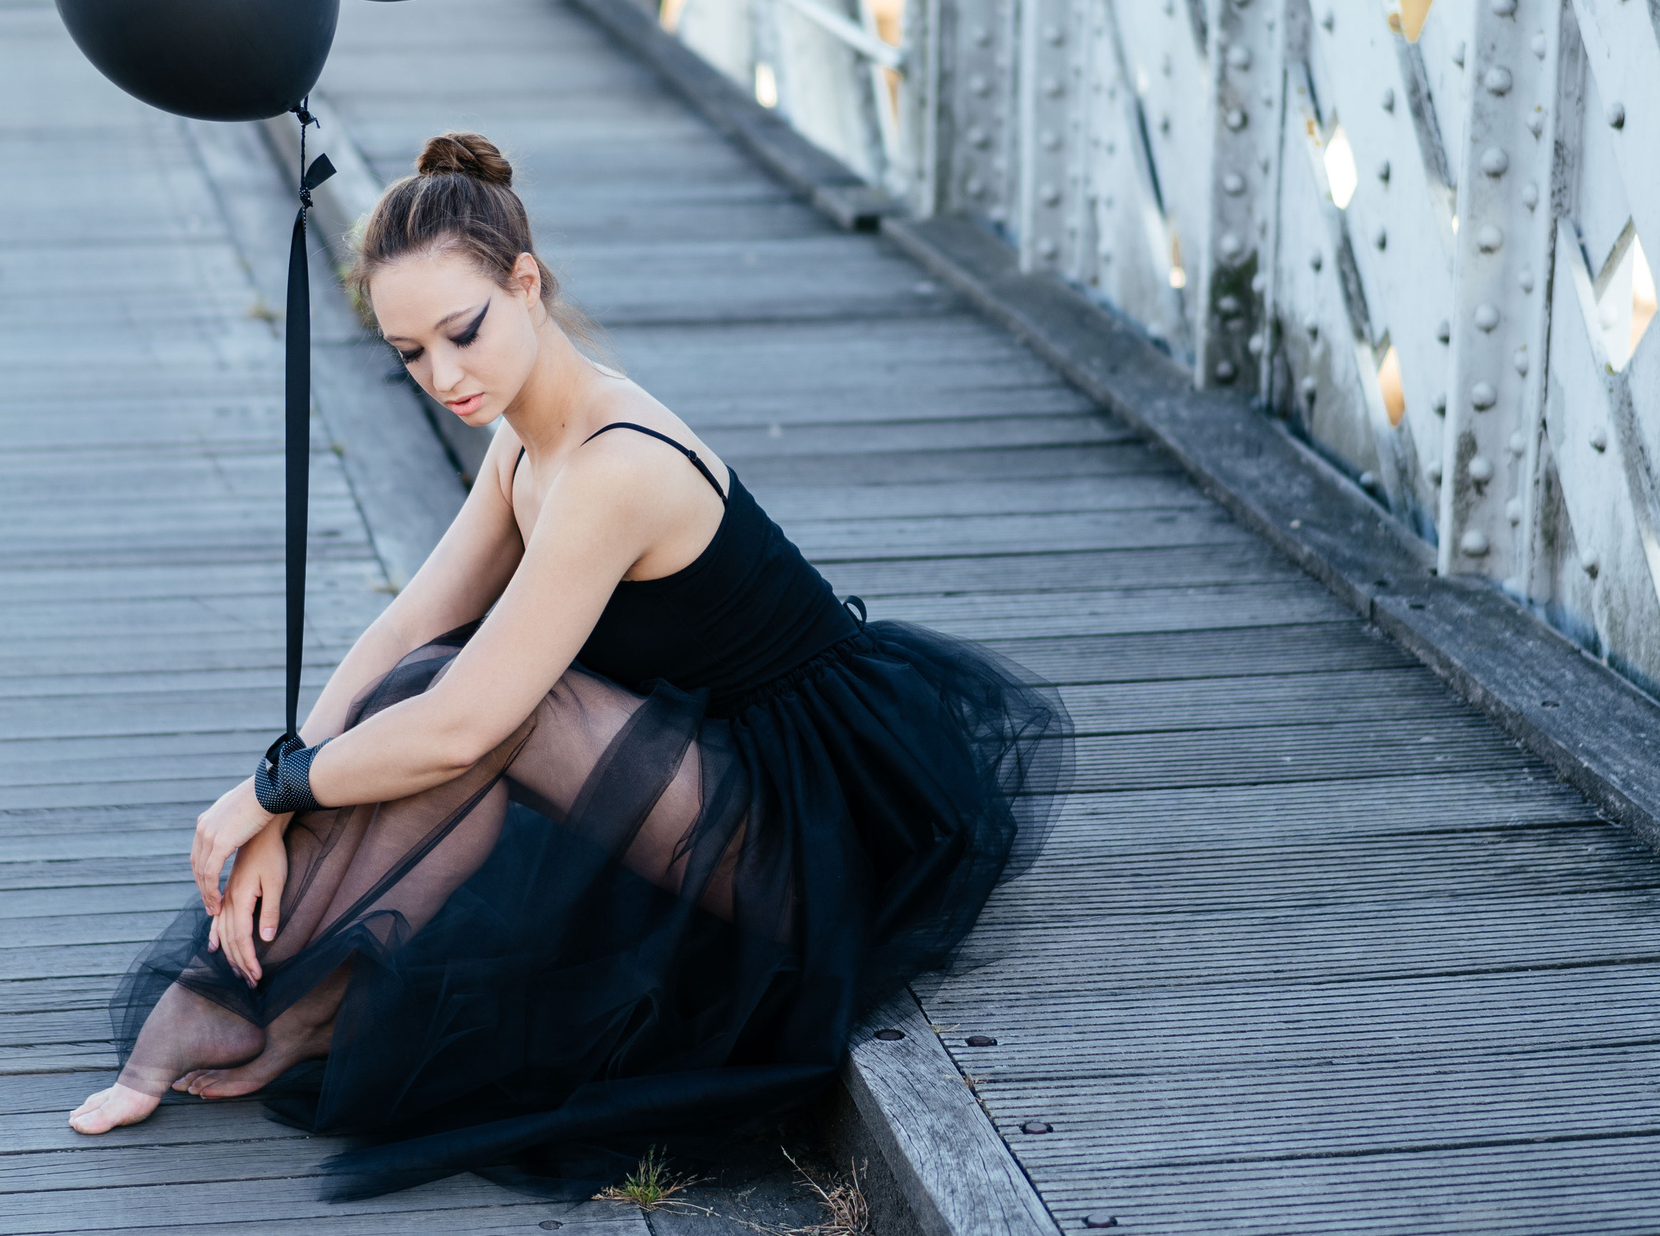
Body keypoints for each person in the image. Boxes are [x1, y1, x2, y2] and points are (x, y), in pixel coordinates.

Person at [68, 131, 1070, 1198]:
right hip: (706, 779)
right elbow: (407, 628)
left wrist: (266, 794)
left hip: (823, 828)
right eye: (410, 353)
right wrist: (283, 791)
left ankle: (257, 1005)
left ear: (526, 283)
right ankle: (290, 1003)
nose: (443, 375)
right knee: (428, 676)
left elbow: (467, 723)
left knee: (496, 710)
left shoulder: (613, 464)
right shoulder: (522, 435)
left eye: (463, 332)